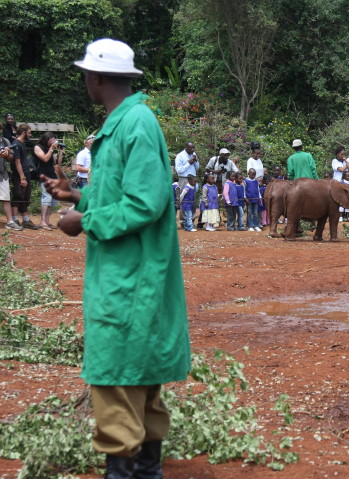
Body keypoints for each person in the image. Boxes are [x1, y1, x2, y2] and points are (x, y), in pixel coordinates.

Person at [41, 38, 190, 478]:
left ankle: (124, 471)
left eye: (86, 75)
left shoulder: (134, 124)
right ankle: (146, 469)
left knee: (117, 376)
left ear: (96, 77)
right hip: (127, 275)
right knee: (139, 374)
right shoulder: (122, 124)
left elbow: (145, 203)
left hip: (130, 277)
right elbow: (121, 195)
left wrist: (84, 221)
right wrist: (77, 196)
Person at [10, 124, 38, 230]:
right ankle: (14, 219)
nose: (30, 135)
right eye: (29, 133)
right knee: (18, 195)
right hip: (19, 175)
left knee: (26, 197)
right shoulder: (16, 144)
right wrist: (22, 177)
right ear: (23, 133)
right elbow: (17, 162)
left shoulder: (22, 143)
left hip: (26, 174)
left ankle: (25, 220)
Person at [34, 131, 64, 230]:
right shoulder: (38, 147)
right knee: (46, 198)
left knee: (51, 200)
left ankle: (47, 221)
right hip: (44, 176)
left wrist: (60, 151)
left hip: (52, 176)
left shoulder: (50, 149)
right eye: (51, 141)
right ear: (46, 139)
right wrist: (51, 148)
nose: (53, 142)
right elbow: (44, 159)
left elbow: (57, 164)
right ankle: (42, 222)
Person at [0, 134, 21, 230]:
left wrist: (7, 154)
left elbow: (11, 158)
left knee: (6, 198)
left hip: (3, 174)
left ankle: (10, 222)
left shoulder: (5, 141)